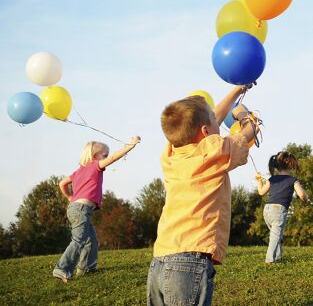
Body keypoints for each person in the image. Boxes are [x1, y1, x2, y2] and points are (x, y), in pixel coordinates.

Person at [147, 85, 260, 306]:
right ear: (207, 132)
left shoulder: (170, 152)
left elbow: (206, 122)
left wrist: (236, 91)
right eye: (214, 120)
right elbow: (248, 134)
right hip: (188, 265)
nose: (219, 120)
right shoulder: (214, 151)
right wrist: (246, 116)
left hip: (160, 262)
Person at [53, 136, 141, 283]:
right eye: (104, 155)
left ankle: (87, 269)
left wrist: (69, 197)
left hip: (76, 208)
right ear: (95, 156)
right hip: (81, 209)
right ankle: (62, 268)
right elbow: (114, 158)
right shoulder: (95, 165)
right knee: (79, 240)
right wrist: (131, 146)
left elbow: (62, 183)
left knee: (91, 240)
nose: (106, 158)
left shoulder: (79, 171)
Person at [256, 151, 308, 265]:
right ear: (290, 164)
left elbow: (261, 192)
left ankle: (279, 257)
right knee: (275, 236)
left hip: (267, 210)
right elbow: (302, 195)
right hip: (278, 211)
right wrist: (306, 199)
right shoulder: (293, 180)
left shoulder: (272, 179)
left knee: (275, 234)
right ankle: (269, 260)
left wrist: (259, 181)